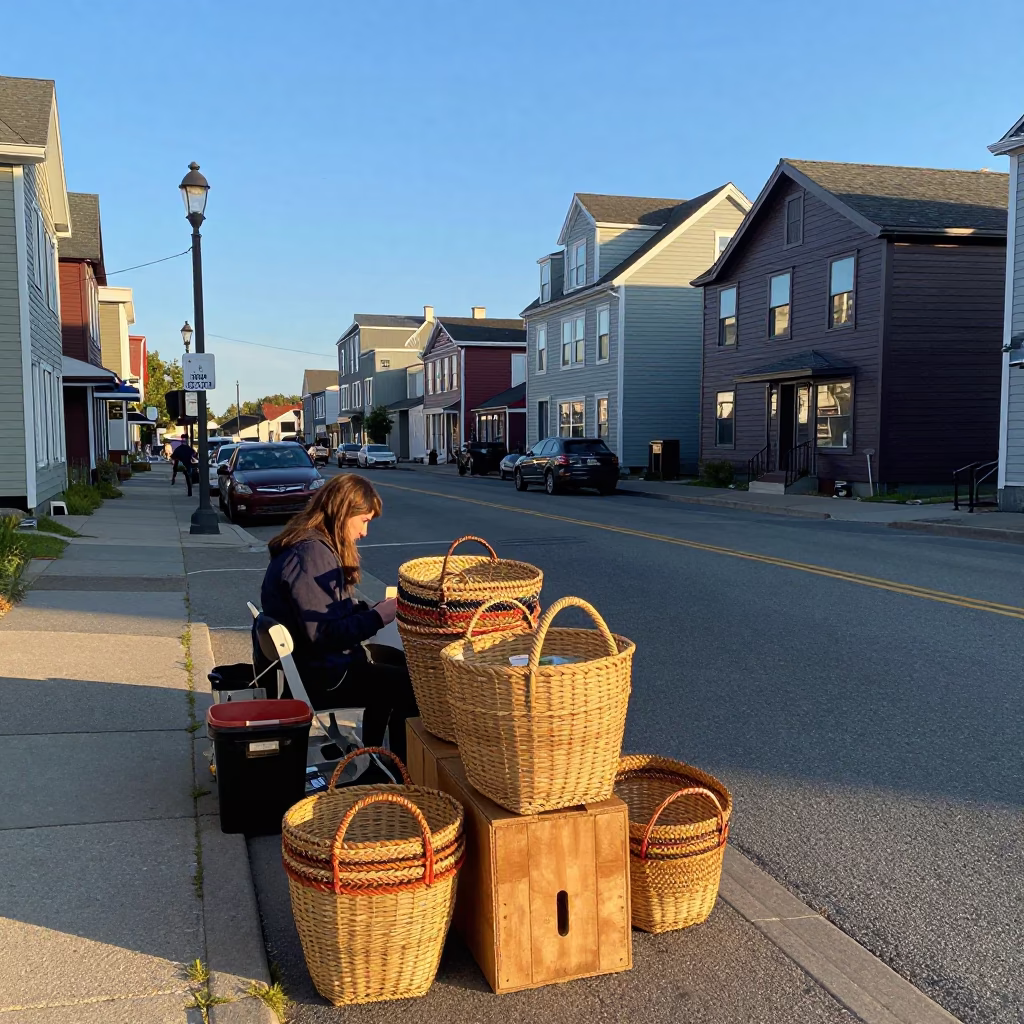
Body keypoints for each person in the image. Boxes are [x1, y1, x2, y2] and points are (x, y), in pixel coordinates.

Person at [256, 475, 419, 761]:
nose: (365, 532)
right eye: (364, 521)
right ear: (344, 512)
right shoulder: (311, 554)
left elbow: (325, 611)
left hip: (316, 668)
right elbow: (323, 633)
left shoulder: (309, 545)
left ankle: (376, 757)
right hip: (325, 677)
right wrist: (377, 618)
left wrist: (368, 611)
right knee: (412, 686)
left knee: (390, 675)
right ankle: (400, 767)